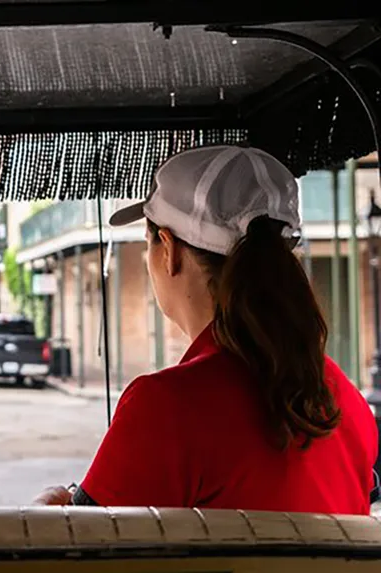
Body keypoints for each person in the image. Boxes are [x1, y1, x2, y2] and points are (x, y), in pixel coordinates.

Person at [35, 145, 377, 514]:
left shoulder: (163, 408)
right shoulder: (346, 400)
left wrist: (43, 514)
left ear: (168, 250)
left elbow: (82, 551)